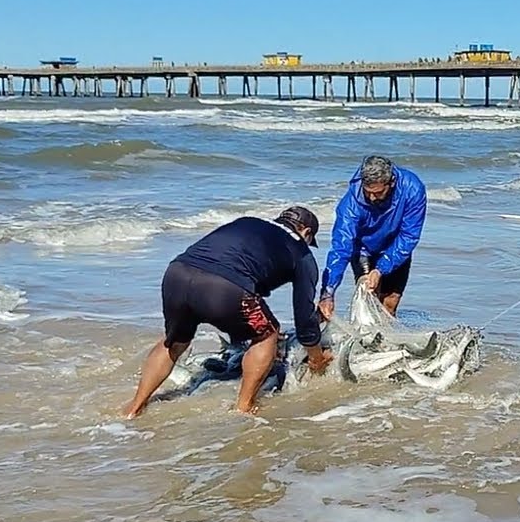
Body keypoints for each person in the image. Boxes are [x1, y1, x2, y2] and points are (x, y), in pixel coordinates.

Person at [123, 206, 333, 418]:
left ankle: (135, 407)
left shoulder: (248, 222)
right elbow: (304, 317)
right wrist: (316, 357)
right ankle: (244, 406)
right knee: (268, 334)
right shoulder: (303, 254)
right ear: (306, 232)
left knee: (174, 342)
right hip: (224, 287)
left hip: (177, 274)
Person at [318, 155, 427, 321]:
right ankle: (365, 337)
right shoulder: (350, 205)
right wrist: (328, 292)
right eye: (367, 192)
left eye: (378, 193)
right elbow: (341, 247)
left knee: (390, 303)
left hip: (396, 246)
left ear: (391, 182)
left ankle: (383, 342)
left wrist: (381, 269)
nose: (371, 198)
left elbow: (409, 235)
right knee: (368, 294)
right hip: (363, 249)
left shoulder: (413, 189)